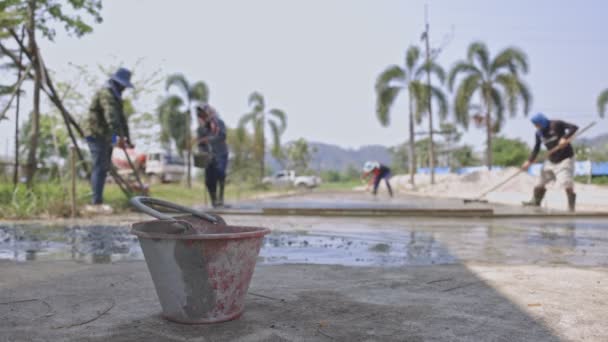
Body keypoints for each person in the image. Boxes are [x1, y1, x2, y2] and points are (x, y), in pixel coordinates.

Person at [83, 68, 134, 214]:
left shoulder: (117, 97)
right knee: (99, 166)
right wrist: (117, 137)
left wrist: (127, 138)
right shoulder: (106, 94)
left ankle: (98, 199)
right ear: (117, 83)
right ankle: (96, 203)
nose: (124, 88)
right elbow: (110, 116)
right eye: (123, 85)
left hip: (106, 135)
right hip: (95, 133)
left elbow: (121, 119)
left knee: (104, 167)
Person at [521, 113, 578, 211]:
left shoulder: (556, 124)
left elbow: (574, 127)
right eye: (535, 125)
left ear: (542, 121)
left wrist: (565, 138)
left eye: (537, 124)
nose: (536, 127)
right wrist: (529, 161)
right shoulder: (538, 133)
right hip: (551, 160)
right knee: (541, 181)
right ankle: (535, 202)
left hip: (565, 159)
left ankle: (571, 207)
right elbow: (536, 148)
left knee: (566, 182)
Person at [194, 103, 228, 208]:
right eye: (200, 114)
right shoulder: (201, 129)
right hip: (208, 156)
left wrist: (208, 139)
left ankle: (220, 198)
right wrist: (201, 152)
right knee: (209, 180)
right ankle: (214, 201)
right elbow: (200, 143)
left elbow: (222, 136)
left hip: (221, 153)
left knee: (220, 173)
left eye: (204, 113)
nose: (202, 116)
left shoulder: (219, 123)